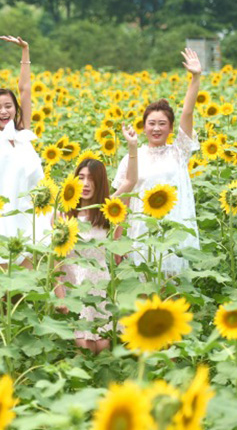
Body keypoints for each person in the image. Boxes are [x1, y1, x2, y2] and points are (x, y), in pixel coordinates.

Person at [113, 48, 202, 276]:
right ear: (143, 127)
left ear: (171, 128)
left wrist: (195, 78)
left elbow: (188, 113)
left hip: (172, 233)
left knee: (171, 292)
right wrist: (117, 243)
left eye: (162, 124)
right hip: (139, 235)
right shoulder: (132, 157)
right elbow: (121, 203)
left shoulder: (178, 153)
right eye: (151, 123)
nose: (156, 128)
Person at [55, 125, 138, 354]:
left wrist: (132, 147)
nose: (85, 183)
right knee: (83, 348)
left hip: (100, 289)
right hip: (74, 292)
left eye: (91, 178)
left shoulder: (108, 210)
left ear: (99, 182)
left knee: (101, 348)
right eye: (80, 177)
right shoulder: (62, 216)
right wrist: (60, 297)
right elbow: (56, 263)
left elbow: (130, 181)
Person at [0, 36, 51, 249]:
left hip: (30, 209)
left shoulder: (23, 132)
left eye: (8, 106)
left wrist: (25, 51)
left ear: (15, 109)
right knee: (4, 268)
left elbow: (25, 90)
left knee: (36, 262)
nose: (4, 111)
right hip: (3, 213)